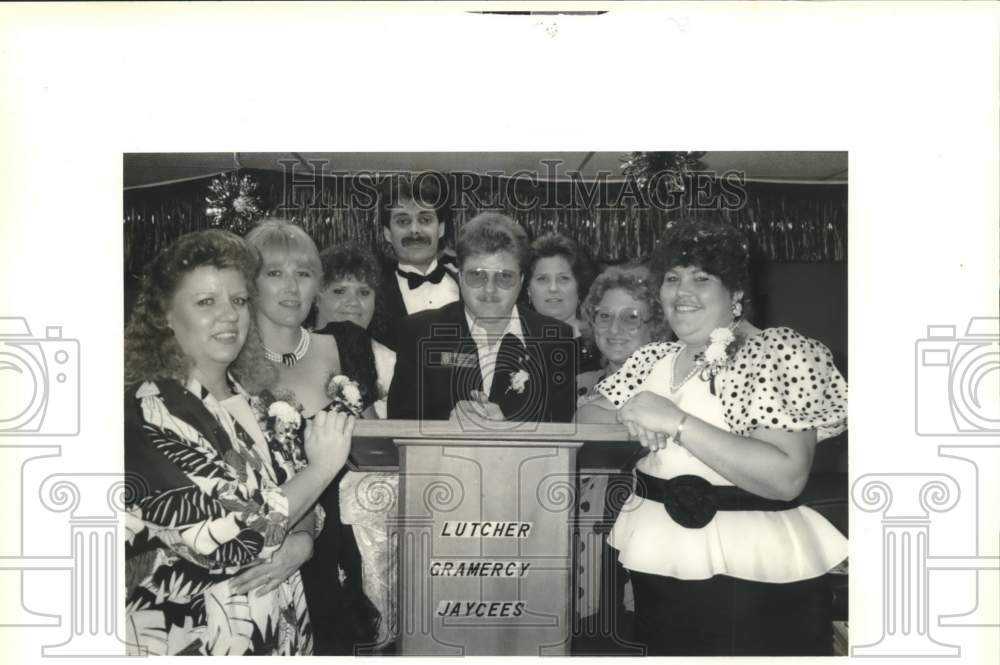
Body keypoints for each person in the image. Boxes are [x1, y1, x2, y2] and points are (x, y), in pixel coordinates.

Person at [577, 218, 848, 656]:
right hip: (659, 560)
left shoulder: (777, 351)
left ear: (736, 293)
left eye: (702, 279)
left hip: (755, 576)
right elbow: (587, 415)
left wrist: (677, 422)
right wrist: (633, 411)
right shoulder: (653, 357)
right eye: (672, 278)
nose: (682, 292)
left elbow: (785, 476)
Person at [124, 229, 355, 656]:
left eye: (238, 300)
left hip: (279, 631)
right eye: (206, 302)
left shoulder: (263, 403)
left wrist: (301, 543)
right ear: (166, 316)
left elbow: (308, 505)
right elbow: (233, 538)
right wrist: (321, 469)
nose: (229, 315)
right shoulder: (145, 414)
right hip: (188, 637)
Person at [237, 220, 380, 654]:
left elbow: (376, 449)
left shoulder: (345, 345)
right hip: (269, 543)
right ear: (250, 281)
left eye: (303, 274)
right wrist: (298, 537)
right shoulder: (227, 357)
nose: (291, 287)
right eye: (274, 273)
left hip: (350, 538)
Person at [387, 212, 576, 423]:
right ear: (459, 275)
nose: (489, 290)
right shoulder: (418, 333)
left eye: (504, 277)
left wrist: (507, 428)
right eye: (477, 275)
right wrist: (445, 429)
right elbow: (400, 427)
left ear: (522, 280)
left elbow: (561, 432)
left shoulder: (555, 339)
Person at [573, 266, 669, 635]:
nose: (615, 329)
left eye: (632, 318)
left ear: (655, 327)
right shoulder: (579, 384)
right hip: (574, 540)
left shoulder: (667, 385)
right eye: (605, 316)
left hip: (634, 540)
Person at [314, 242, 399, 645]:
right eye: (339, 291)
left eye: (363, 293)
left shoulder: (390, 361)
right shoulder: (293, 353)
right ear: (316, 295)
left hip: (374, 503)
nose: (352, 302)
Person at [376, 174, 460, 350]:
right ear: (387, 233)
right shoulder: (373, 296)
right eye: (403, 221)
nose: (414, 230)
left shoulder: (468, 288)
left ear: (441, 229)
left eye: (425, 220)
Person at [525, 233, 601, 374]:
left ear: (579, 286)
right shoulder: (515, 343)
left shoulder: (602, 343)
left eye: (563, 279)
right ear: (528, 290)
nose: (553, 288)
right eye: (542, 279)